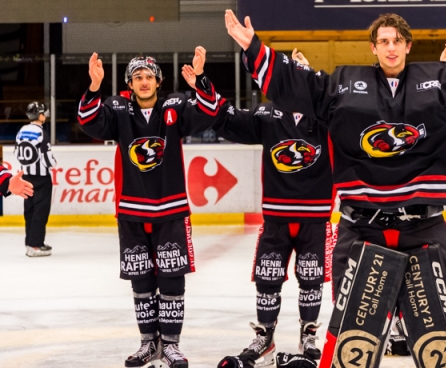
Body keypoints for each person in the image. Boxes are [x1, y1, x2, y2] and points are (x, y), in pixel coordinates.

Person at [224, 0, 446, 367]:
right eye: (383, 41)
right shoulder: (345, 83)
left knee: (439, 340)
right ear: (373, 48)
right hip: (362, 229)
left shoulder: (441, 81)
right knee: (352, 344)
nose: (391, 47)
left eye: (397, 41)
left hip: (423, 227)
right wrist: (255, 50)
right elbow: (301, 86)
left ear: (408, 46)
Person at [184, 50, 332, 367]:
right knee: (268, 278)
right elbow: (226, 118)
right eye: (292, 77)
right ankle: (265, 335)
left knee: (311, 279)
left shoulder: (328, 118)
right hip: (277, 218)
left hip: (315, 218)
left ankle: (308, 335)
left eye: (303, 76)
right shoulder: (268, 115)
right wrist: (203, 83)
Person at [78, 49, 222, 368]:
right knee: (141, 280)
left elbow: (211, 112)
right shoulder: (118, 109)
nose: (144, 82)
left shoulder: (175, 107)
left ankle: (169, 344)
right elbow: (89, 123)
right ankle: (148, 343)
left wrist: (200, 80)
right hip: (131, 211)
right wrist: (94, 86)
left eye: (148, 77)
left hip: (170, 210)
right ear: (130, 83)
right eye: (137, 77)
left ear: (159, 81)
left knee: (172, 279)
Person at [15, 102, 56, 257]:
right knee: (41, 210)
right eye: (44, 113)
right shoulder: (41, 133)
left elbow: (16, 153)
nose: (45, 116)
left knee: (30, 210)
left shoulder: (21, 131)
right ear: (40, 115)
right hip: (41, 178)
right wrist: (53, 163)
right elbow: (47, 157)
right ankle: (36, 245)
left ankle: (29, 242)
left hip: (26, 176)